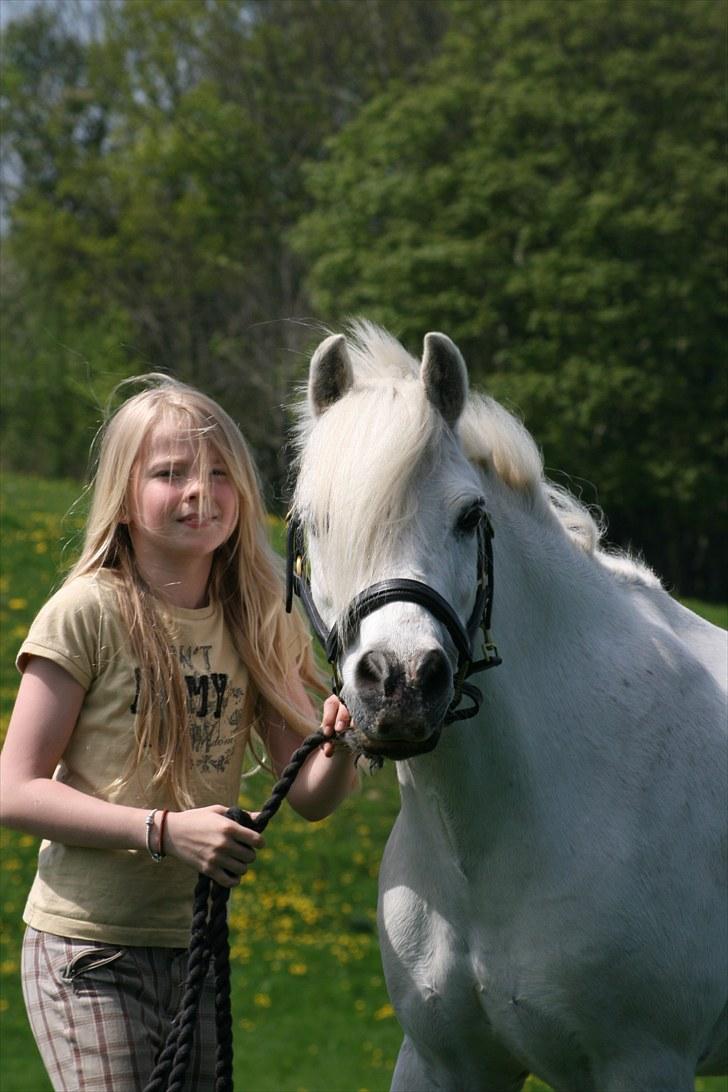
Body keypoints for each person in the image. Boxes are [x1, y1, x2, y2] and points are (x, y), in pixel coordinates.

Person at [0, 374, 358, 1092]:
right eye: (170, 473)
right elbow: (13, 791)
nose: (200, 491)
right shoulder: (84, 615)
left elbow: (312, 795)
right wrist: (162, 829)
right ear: (124, 496)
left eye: (220, 473)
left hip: (193, 946)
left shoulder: (263, 617)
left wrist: (344, 741)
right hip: (88, 951)